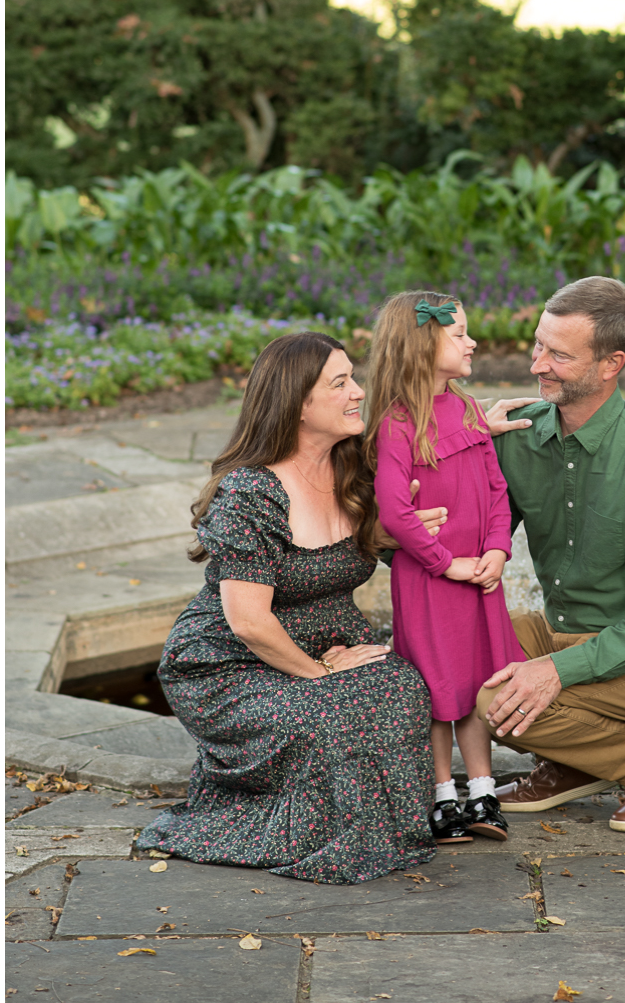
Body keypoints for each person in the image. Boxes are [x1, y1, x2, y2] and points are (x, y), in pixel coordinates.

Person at [137, 331, 438, 884]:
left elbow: (428, 489)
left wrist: (473, 442)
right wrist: (319, 673)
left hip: (325, 648)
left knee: (402, 688)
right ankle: (293, 825)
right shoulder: (250, 493)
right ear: (298, 403)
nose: (359, 392)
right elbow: (248, 621)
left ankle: (383, 826)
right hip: (230, 664)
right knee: (329, 714)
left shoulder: (356, 470)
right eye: (340, 383)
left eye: (355, 377)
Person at [478, 276, 625, 832]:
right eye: (538, 345)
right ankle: (576, 762)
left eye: (559, 355)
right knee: (458, 666)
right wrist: (455, 452)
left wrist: (554, 671)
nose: (538, 365)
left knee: (501, 700)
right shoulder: (514, 435)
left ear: (611, 364)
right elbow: (466, 550)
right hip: (564, 628)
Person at [366, 291, 524, 845]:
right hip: (432, 582)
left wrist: (498, 551)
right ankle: (442, 795)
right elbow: (395, 511)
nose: (471, 341)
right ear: (421, 343)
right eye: (458, 334)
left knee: (481, 683)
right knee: (438, 689)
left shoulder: (471, 409)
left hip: (480, 577)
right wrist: (445, 564)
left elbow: (497, 490)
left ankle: (482, 788)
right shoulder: (397, 424)